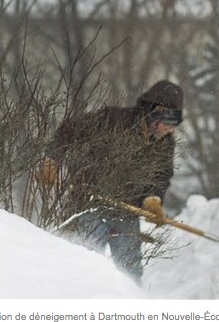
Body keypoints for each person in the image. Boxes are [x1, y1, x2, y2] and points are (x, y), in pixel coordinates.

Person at [37, 80, 183, 283]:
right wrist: (51, 160)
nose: (169, 129)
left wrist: (153, 199)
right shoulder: (112, 120)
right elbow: (69, 130)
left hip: (126, 212)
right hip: (89, 205)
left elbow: (160, 176)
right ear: (152, 112)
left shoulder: (165, 144)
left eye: (175, 123)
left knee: (130, 274)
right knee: (82, 266)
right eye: (167, 120)